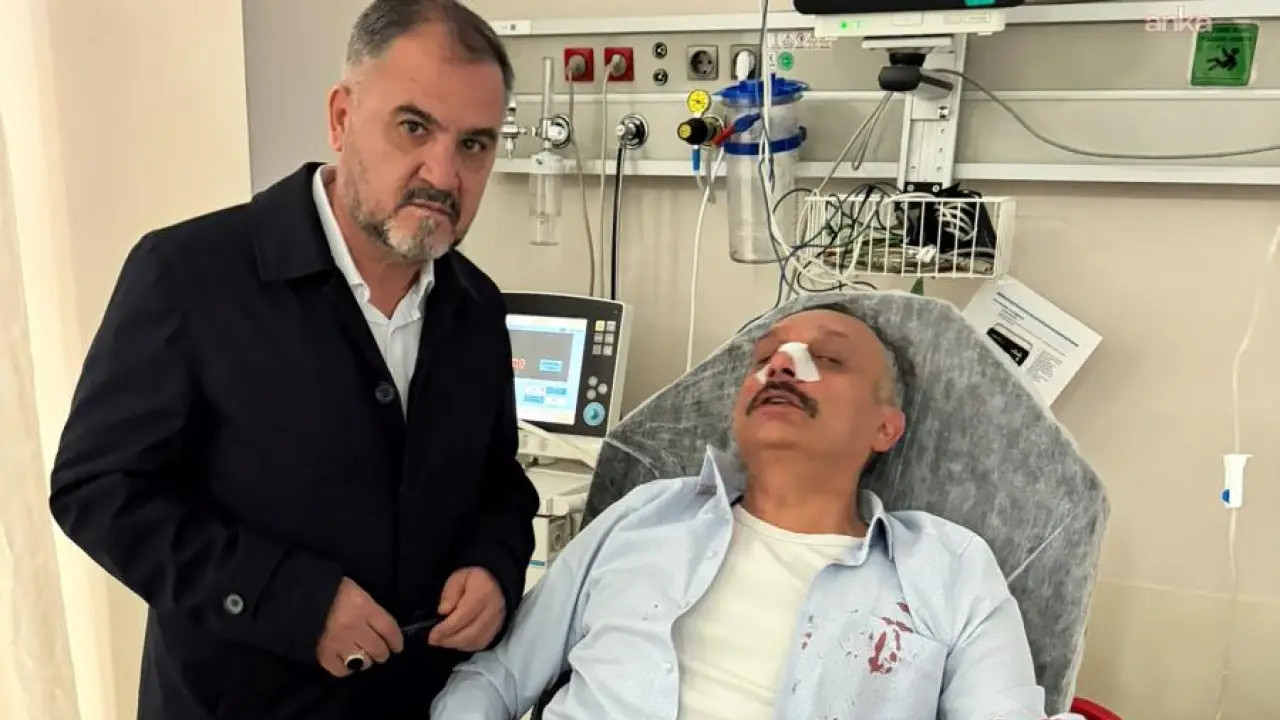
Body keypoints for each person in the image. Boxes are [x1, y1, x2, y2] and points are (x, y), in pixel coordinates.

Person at [48, 1, 537, 718]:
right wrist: (289, 600)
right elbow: (97, 490)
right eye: (414, 127)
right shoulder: (189, 276)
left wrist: (495, 565)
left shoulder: (476, 308)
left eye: (474, 145)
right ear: (341, 118)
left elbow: (499, 483)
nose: (443, 172)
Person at [430, 306, 1068, 720]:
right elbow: (496, 679)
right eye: (765, 358)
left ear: (885, 427)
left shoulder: (948, 569)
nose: (783, 365)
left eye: (829, 359)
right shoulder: (644, 518)